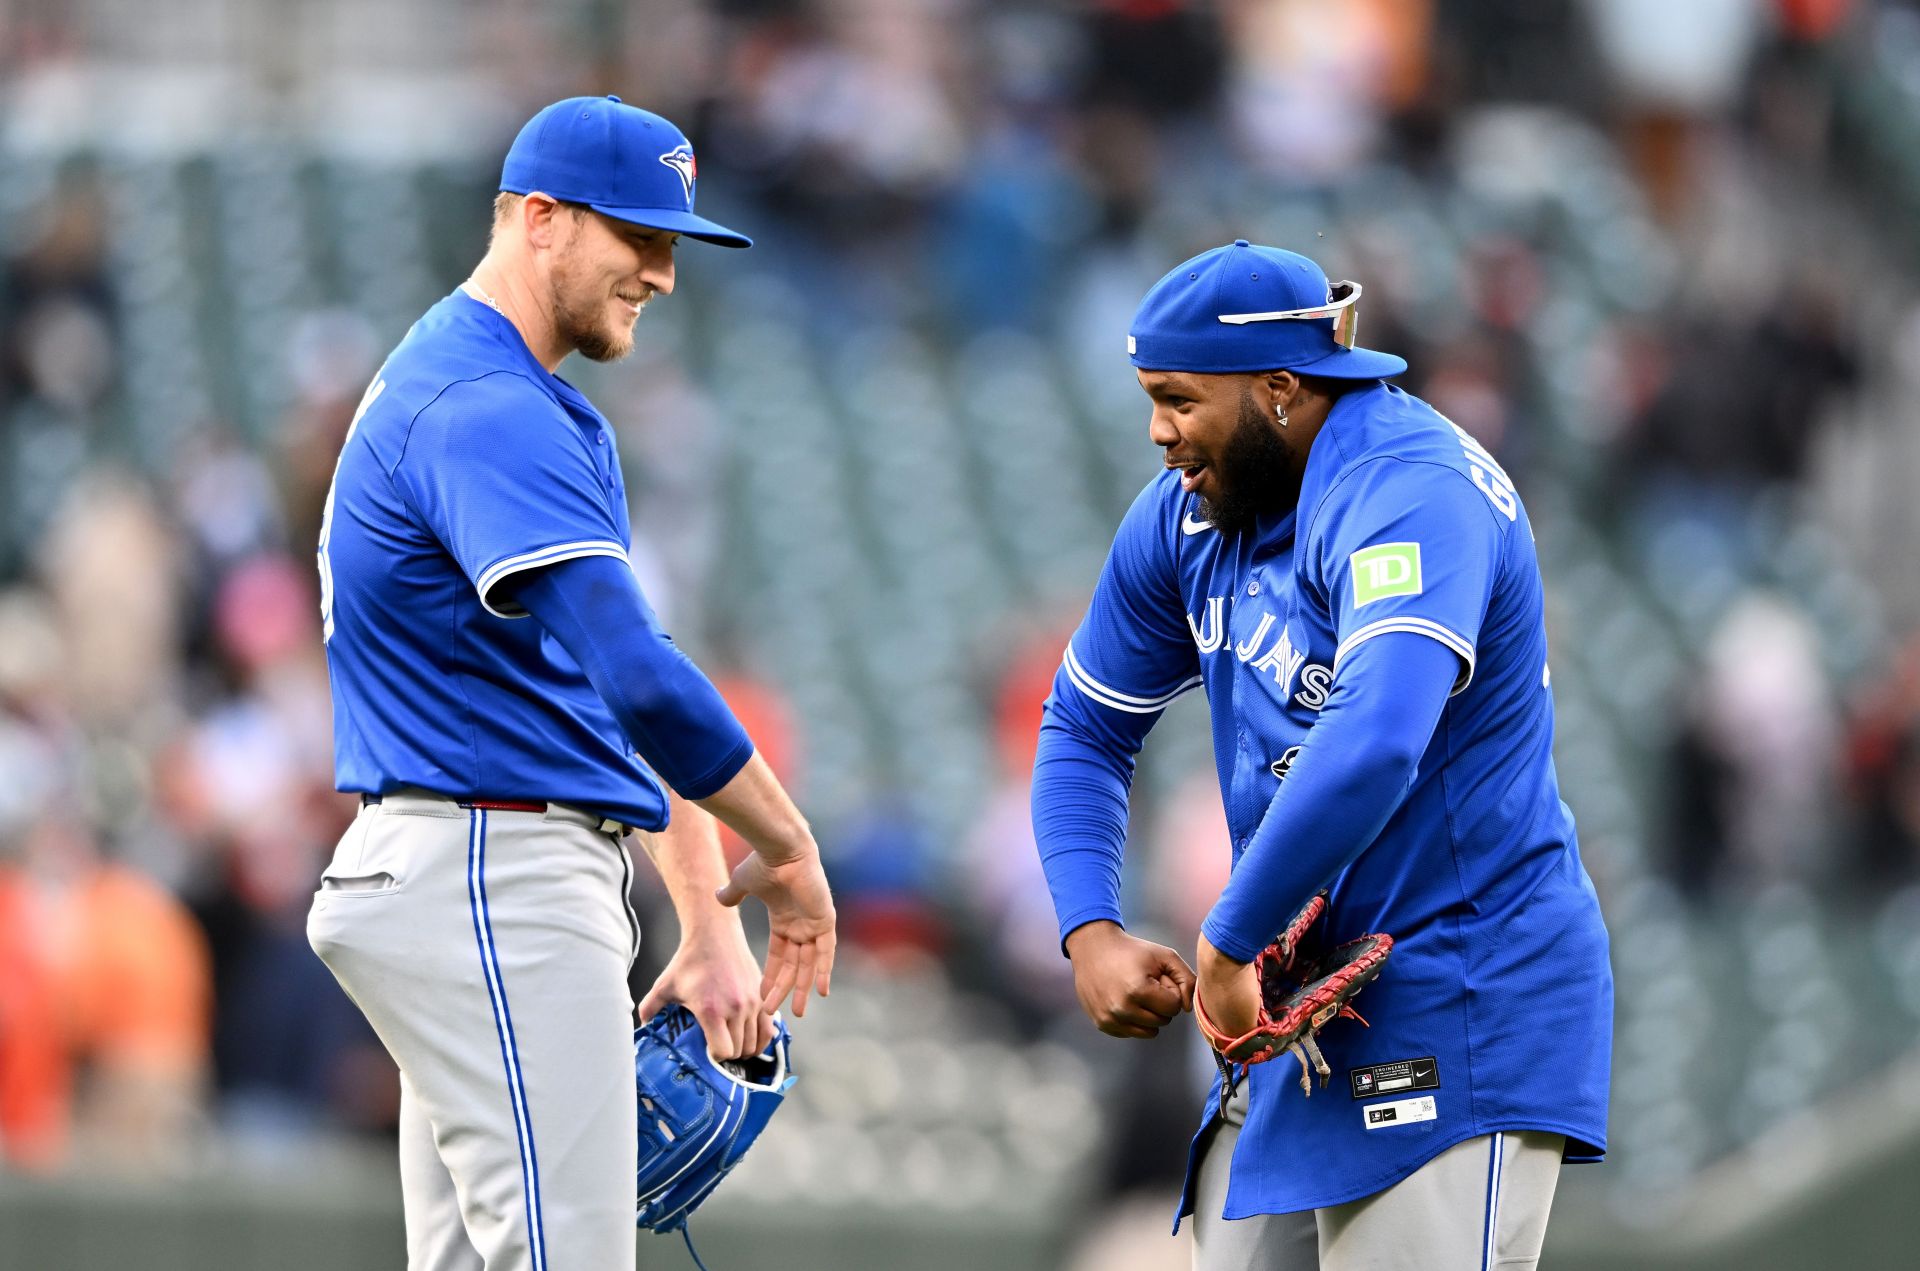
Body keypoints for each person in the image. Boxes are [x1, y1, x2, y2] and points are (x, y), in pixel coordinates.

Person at [307, 96, 836, 1271]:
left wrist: (703, 919)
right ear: (539, 218)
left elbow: (600, 691)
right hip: (492, 871)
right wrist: (789, 851)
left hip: (473, 868)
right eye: (637, 238)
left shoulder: (513, 398)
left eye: (673, 242)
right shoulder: (488, 408)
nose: (662, 272)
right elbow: (644, 681)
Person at [1030, 240, 1611, 1270]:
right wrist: (1090, 929)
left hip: (1454, 989)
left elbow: (1377, 737)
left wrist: (1223, 941)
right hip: (1293, 1013)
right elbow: (1083, 727)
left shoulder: (1412, 487)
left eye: (1179, 399)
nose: (1158, 433)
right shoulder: (1188, 516)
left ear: (1281, 389)